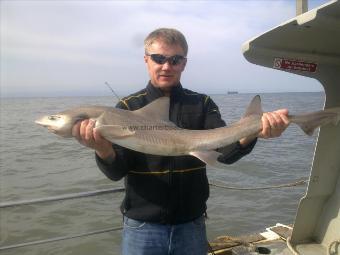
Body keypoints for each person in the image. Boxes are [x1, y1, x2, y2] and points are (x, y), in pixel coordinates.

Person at [72, 28, 289, 255]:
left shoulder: (202, 104)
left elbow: (226, 153)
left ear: (184, 63)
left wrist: (253, 131)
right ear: (146, 60)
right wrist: (101, 148)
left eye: (175, 60)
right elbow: (117, 172)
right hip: (142, 227)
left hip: (191, 224)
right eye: (158, 59)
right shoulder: (127, 108)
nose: (167, 66)